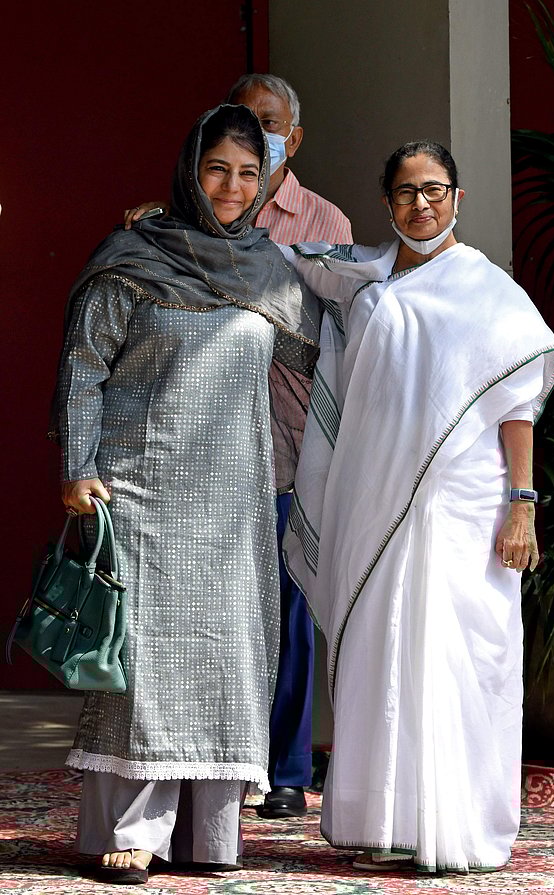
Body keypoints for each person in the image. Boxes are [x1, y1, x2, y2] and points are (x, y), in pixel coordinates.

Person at [280, 141, 554, 872]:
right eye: (406, 192)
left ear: (457, 198)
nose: (421, 204)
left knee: (460, 656)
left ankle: (455, 826)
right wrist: (165, 221)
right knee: (382, 651)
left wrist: (523, 504)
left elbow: (516, 408)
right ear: (387, 203)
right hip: (372, 500)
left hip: (463, 505)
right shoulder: (362, 282)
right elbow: (269, 255)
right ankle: (385, 822)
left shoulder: (487, 290)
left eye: (434, 190)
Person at [55, 104, 319, 884]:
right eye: (217, 170)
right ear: (188, 171)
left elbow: (327, 347)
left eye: (248, 173)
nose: (232, 187)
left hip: (235, 498)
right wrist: (76, 465)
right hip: (141, 489)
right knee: (150, 661)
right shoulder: (134, 255)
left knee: (221, 660)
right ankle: (134, 827)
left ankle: (207, 833)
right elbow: (82, 367)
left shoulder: (269, 269)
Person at [127, 73, 353, 820]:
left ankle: (284, 767)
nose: (257, 137)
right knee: (202, 608)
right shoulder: (176, 223)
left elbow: (336, 332)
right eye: (244, 121)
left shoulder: (323, 220)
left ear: (294, 138)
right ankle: (202, 764)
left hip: (287, 436)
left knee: (286, 607)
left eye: (270, 126)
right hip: (196, 444)